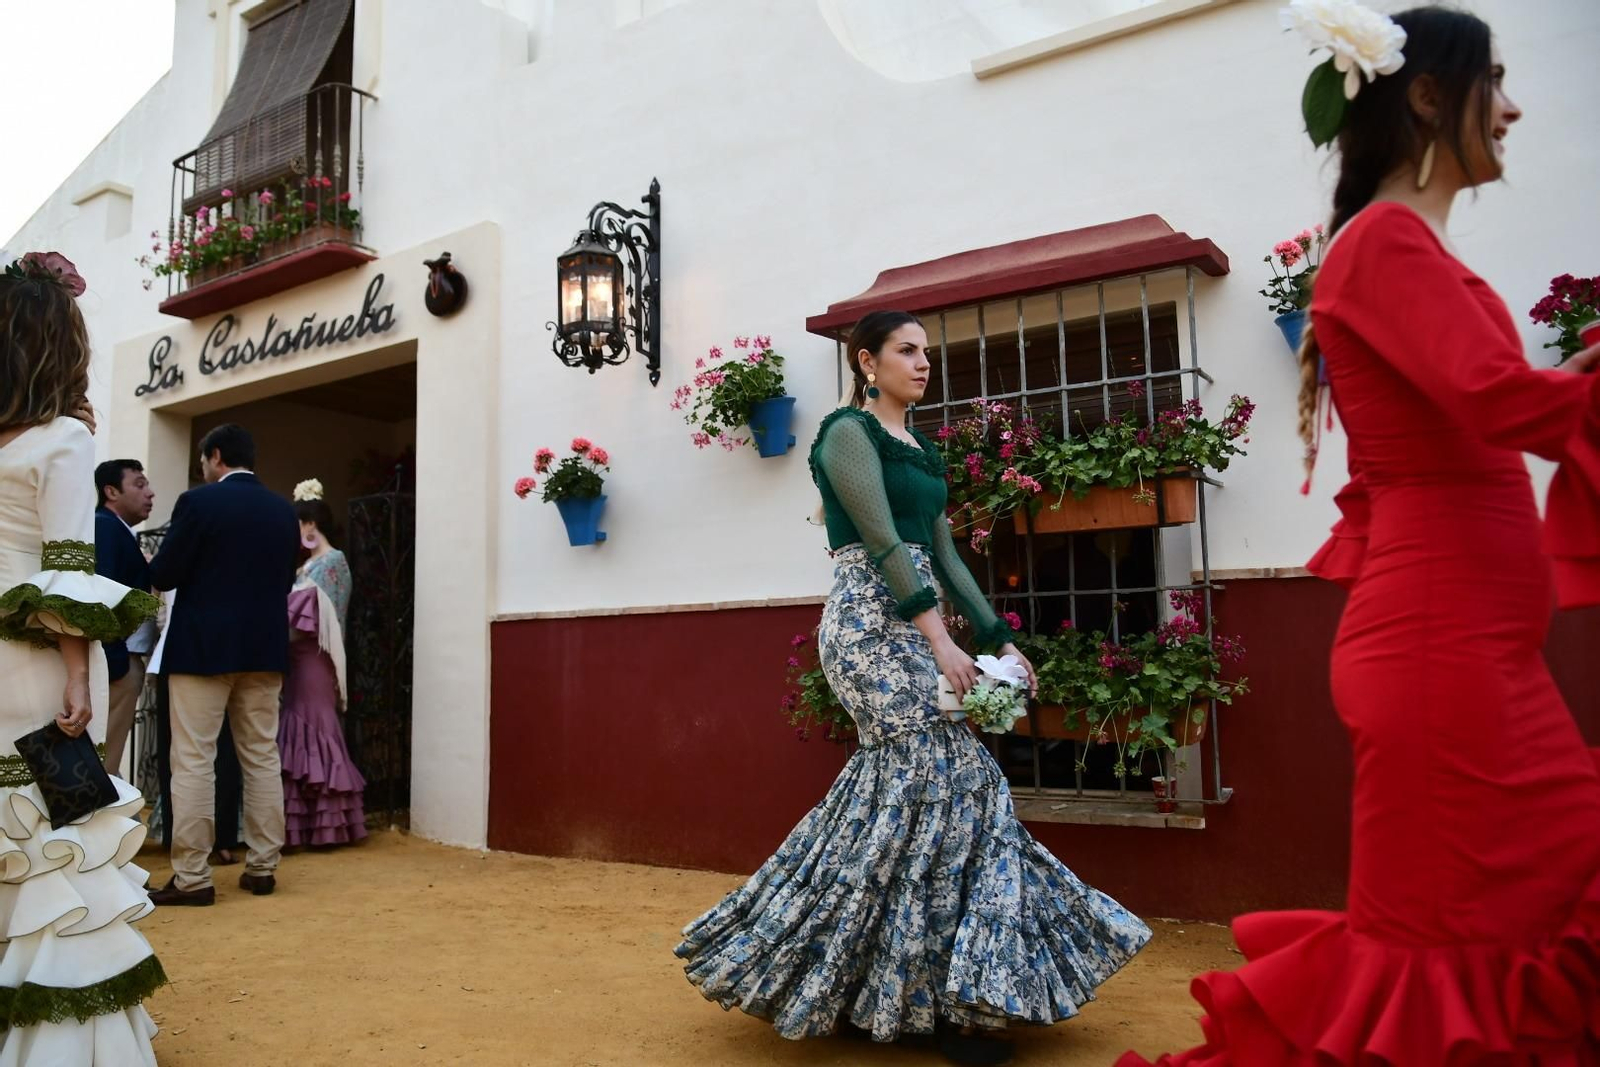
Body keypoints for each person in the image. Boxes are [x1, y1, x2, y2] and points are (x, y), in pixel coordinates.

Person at [1121, 7, 1600, 1065]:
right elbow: (1487, 396)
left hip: (1462, 657)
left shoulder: (1398, 246)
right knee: (1457, 961)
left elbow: (1479, 405)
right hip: (1444, 665)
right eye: (1495, 82)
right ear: (1426, 97)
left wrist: (1565, 382)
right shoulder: (1383, 240)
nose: (1514, 108)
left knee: (1478, 952)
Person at [676, 311, 1150, 1067]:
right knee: (948, 778)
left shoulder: (921, 451)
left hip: (920, 623)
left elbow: (944, 554)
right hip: (869, 627)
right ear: (867, 362)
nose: (923, 364)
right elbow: (882, 542)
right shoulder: (845, 435)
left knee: (916, 793)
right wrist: (940, 640)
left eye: (926, 352)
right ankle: (939, 1001)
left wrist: (998, 638)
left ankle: (886, 986)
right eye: (906, 350)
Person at [0, 252, 167, 1063]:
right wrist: (78, 669)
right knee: (59, 836)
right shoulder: (63, 439)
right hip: (36, 662)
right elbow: (67, 571)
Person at [147, 423, 300, 905]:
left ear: (215, 457)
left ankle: (193, 877)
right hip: (264, 648)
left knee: (194, 758)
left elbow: (165, 571)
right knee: (260, 755)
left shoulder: (199, 502)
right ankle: (262, 867)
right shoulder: (282, 510)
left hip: (203, 648)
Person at [279, 479, 366, 847]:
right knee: (302, 728)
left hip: (315, 659)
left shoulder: (333, 562)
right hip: (298, 661)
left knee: (317, 726)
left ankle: (326, 825)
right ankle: (308, 826)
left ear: (310, 524)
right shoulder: (307, 567)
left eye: (299, 525)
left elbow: (320, 620)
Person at [93, 458, 156, 777]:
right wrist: (115, 661)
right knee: (104, 761)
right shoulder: (105, 527)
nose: (150, 493)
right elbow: (100, 592)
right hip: (115, 660)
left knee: (108, 758)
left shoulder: (118, 530)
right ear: (111, 491)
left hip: (119, 659)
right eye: (139, 484)